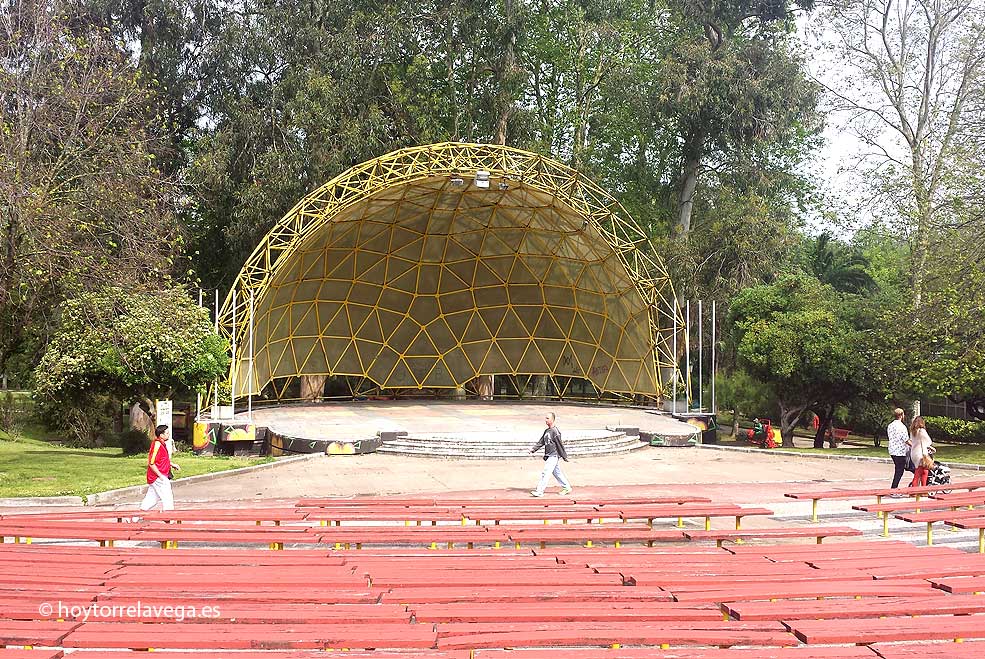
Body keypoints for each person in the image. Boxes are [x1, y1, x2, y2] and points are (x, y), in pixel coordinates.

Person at [529, 411, 571, 497]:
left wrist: (564, 456)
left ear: (552, 420)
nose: (545, 420)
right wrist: (533, 449)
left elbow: (560, 444)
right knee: (557, 473)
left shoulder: (555, 432)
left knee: (546, 472)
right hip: (549, 455)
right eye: (546, 418)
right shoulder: (547, 431)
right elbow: (541, 442)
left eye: (547, 418)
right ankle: (567, 487)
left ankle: (539, 491)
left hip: (554, 455)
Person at [140, 425, 176, 511]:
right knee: (168, 497)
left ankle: (135, 518)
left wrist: (171, 464)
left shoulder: (161, 444)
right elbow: (151, 462)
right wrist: (160, 475)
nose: (169, 435)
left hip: (157, 476)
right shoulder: (157, 445)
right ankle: (169, 518)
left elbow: (161, 459)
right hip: (158, 476)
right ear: (161, 435)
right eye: (167, 433)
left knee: (151, 500)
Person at [908, 416, 935, 488]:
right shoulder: (922, 431)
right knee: (918, 473)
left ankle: (923, 489)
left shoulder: (912, 431)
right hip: (921, 454)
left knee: (924, 471)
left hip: (914, 453)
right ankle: (913, 492)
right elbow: (929, 441)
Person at [887, 408, 909, 494]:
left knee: (898, 469)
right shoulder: (902, 426)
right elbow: (906, 439)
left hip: (892, 450)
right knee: (900, 470)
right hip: (900, 451)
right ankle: (894, 488)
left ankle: (894, 487)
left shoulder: (890, 425)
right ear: (901, 415)